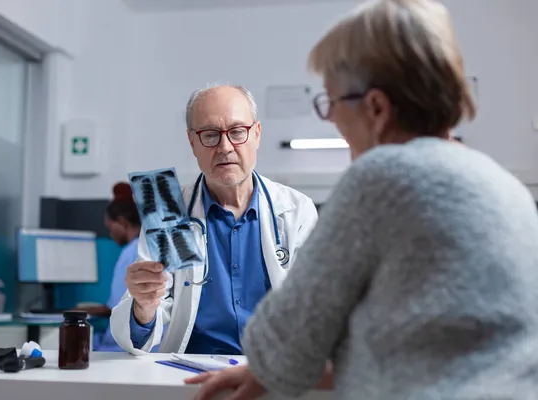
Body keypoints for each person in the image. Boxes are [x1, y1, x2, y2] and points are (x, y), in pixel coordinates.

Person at [187, 0, 538, 399]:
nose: (332, 119)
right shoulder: (504, 186)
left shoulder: (382, 178)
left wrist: (271, 364)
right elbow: (431, 348)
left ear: (375, 108)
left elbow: (286, 342)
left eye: (332, 103)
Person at [109, 85, 319, 355]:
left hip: (273, 373)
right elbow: (143, 329)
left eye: (237, 132)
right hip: (191, 375)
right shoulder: (170, 213)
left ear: (256, 134)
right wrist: (144, 305)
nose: (225, 147)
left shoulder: (295, 210)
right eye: (209, 135)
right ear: (192, 142)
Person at [88, 182, 141, 352]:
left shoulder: (130, 252)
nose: (111, 235)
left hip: (123, 344)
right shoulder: (148, 247)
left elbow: (117, 306)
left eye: (111, 228)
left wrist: (79, 311)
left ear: (122, 223)